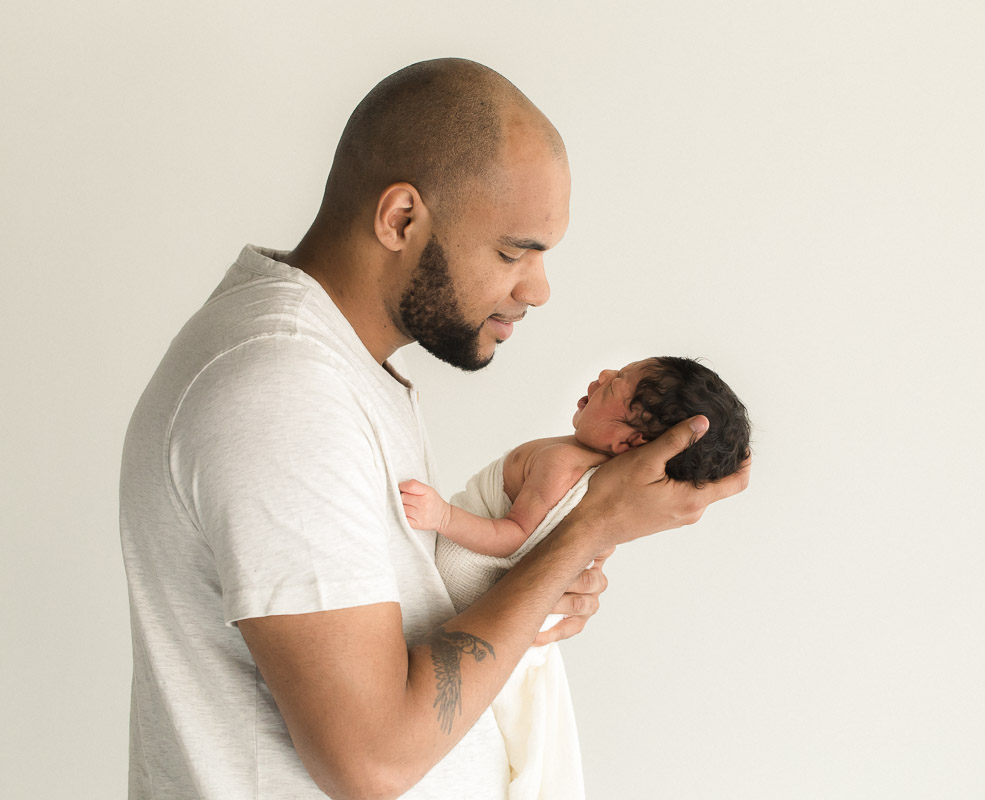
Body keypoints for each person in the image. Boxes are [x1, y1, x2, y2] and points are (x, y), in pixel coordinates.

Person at [119, 58, 749, 800]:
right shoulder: (282, 392)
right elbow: (373, 761)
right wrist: (589, 527)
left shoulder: (341, 367)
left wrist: (526, 586)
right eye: (514, 250)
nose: (537, 288)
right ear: (401, 219)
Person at [400, 356, 750, 798]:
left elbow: (513, 537)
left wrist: (443, 515)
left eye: (614, 386)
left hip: (469, 583)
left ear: (629, 441)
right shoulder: (601, 481)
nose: (603, 375)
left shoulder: (563, 463)